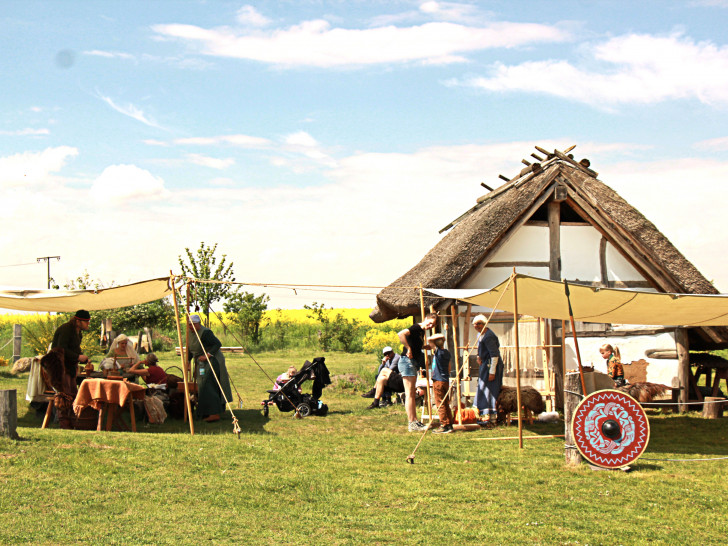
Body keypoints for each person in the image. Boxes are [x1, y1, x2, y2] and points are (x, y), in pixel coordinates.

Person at [187, 314, 233, 422]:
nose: (190, 327)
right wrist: (188, 361)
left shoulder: (205, 333)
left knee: (207, 385)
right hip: (201, 362)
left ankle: (214, 413)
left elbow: (217, 344)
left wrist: (207, 355)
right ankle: (209, 411)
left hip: (213, 360)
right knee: (204, 385)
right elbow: (190, 348)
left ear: (197, 324)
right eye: (189, 325)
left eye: (192, 325)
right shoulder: (190, 333)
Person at [398, 313, 437, 432]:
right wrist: (408, 348)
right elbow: (401, 334)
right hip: (407, 361)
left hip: (412, 362)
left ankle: (414, 421)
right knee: (410, 394)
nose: (430, 326)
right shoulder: (416, 327)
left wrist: (424, 347)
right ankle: (412, 423)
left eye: (433, 325)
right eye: (429, 323)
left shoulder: (421, 332)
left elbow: (415, 344)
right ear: (425, 319)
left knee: (411, 394)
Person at [473, 314, 503, 421]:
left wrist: (492, 372)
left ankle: (492, 415)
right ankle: (484, 413)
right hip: (485, 364)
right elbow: (480, 347)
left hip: (492, 365)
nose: (477, 326)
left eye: (479, 324)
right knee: (482, 387)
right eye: (475, 324)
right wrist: (478, 356)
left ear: (484, 324)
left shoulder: (489, 336)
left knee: (491, 389)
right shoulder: (479, 335)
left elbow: (494, 355)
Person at [428, 333, 454, 434]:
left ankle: (444, 425)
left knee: (440, 403)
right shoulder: (446, 352)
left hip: (438, 380)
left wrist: (441, 336)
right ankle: (449, 423)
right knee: (445, 402)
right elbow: (449, 367)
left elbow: (430, 340)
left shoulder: (438, 352)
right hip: (445, 379)